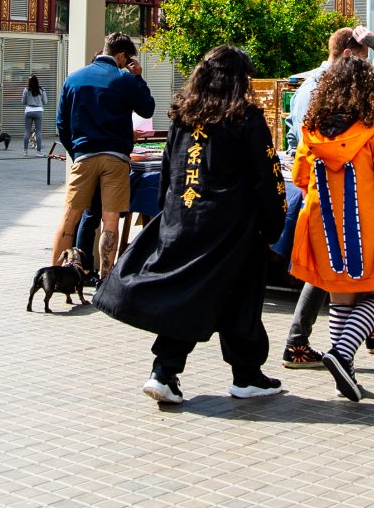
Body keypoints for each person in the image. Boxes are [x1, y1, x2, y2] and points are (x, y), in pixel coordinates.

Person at [95, 46, 288, 405]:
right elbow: (268, 175)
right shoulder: (245, 117)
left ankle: (174, 371)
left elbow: (169, 171)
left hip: (183, 219)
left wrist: (166, 216)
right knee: (238, 296)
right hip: (231, 226)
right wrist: (274, 222)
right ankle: (234, 374)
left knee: (193, 294)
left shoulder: (184, 115)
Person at [287, 56, 374, 401]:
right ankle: (342, 354)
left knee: (340, 295)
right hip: (366, 225)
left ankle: (346, 371)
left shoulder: (310, 130)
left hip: (322, 226)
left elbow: (300, 177)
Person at [53, 33, 156, 274]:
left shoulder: (73, 79)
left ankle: (56, 273)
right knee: (110, 219)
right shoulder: (124, 79)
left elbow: (61, 123)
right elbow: (147, 108)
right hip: (115, 159)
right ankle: (105, 278)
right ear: (121, 55)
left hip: (84, 155)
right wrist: (138, 78)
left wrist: (76, 151)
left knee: (70, 218)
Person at [21, 75, 47, 153]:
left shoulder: (26, 90)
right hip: (39, 111)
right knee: (38, 131)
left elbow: (23, 102)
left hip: (28, 111)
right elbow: (45, 102)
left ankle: (25, 151)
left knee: (27, 131)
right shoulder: (42, 90)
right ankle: (39, 151)